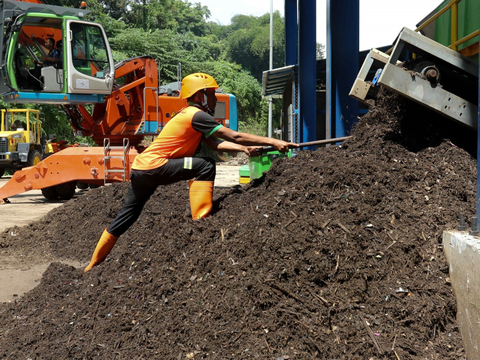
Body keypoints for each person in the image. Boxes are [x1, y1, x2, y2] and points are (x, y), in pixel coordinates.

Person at [84, 73, 298, 272]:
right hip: (156, 166)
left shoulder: (190, 116)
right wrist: (273, 141)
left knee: (128, 215)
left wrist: (244, 149)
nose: (215, 100)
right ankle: (201, 221)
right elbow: (235, 136)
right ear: (200, 96)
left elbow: (215, 144)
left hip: (142, 169)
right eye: (212, 95)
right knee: (205, 165)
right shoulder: (197, 115)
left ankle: (93, 263)